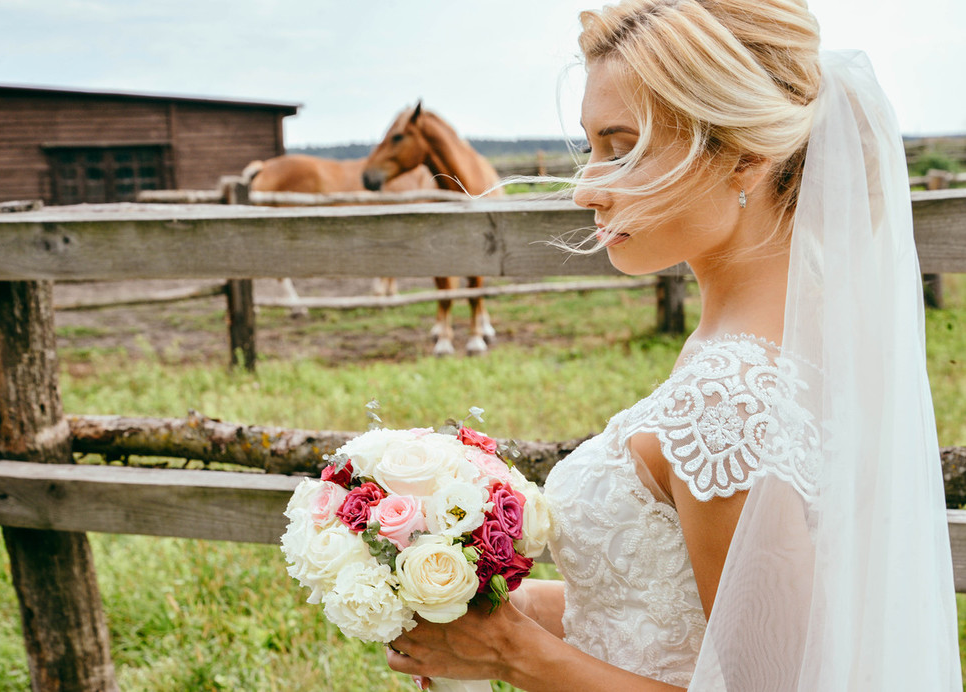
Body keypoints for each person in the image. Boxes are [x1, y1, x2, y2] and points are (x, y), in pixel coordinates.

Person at [385, 0, 962, 689]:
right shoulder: (772, 350)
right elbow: (703, 616)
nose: (583, 191)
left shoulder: (727, 403)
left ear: (745, 157)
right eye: (590, 147)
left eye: (621, 146)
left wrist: (515, 654)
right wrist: (520, 607)